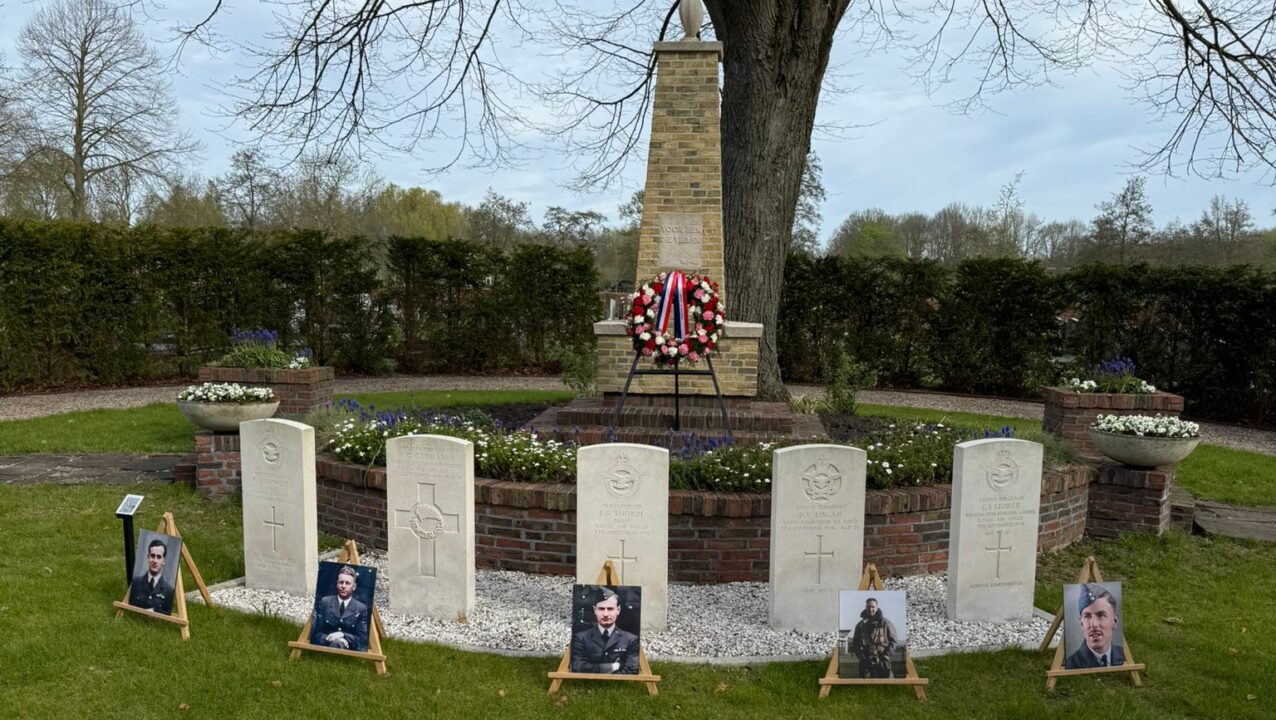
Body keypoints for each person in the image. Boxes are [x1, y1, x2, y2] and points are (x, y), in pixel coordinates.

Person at [570, 587, 639, 674]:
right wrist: (613, 667)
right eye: (601, 609)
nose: (605, 614)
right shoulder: (581, 638)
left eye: (610, 609)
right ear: (595, 610)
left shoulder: (630, 640)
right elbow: (578, 666)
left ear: (618, 610)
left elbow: (631, 669)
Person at [310, 565, 370, 651]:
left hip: (349, 649)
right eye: (341, 582)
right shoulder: (325, 602)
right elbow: (315, 633)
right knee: (336, 643)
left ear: (354, 587)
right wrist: (332, 639)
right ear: (337, 584)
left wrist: (343, 636)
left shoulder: (360, 608)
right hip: (326, 643)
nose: (343, 586)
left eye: (347, 583)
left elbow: (361, 640)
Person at [1066, 584, 1125, 669]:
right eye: (1087, 616)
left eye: (1100, 615)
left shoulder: (1125, 657)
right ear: (1081, 623)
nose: (1093, 624)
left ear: (1115, 621)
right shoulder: (1071, 664)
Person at [849, 597, 898, 678]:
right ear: (865, 608)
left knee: (886, 683)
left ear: (877, 608)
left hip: (882, 659)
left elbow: (894, 641)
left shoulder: (885, 623)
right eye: (868, 607)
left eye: (873, 607)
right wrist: (861, 657)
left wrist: (887, 654)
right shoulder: (860, 625)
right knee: (865, 684)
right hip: (866, 660)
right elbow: (855, 643)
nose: (871, 609)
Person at [128, 538, 175, 614]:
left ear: (163, 561)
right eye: (152, 556)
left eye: (159, 557)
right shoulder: (136, 583)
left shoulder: (169, 591)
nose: (155, 561)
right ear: (148, 557)